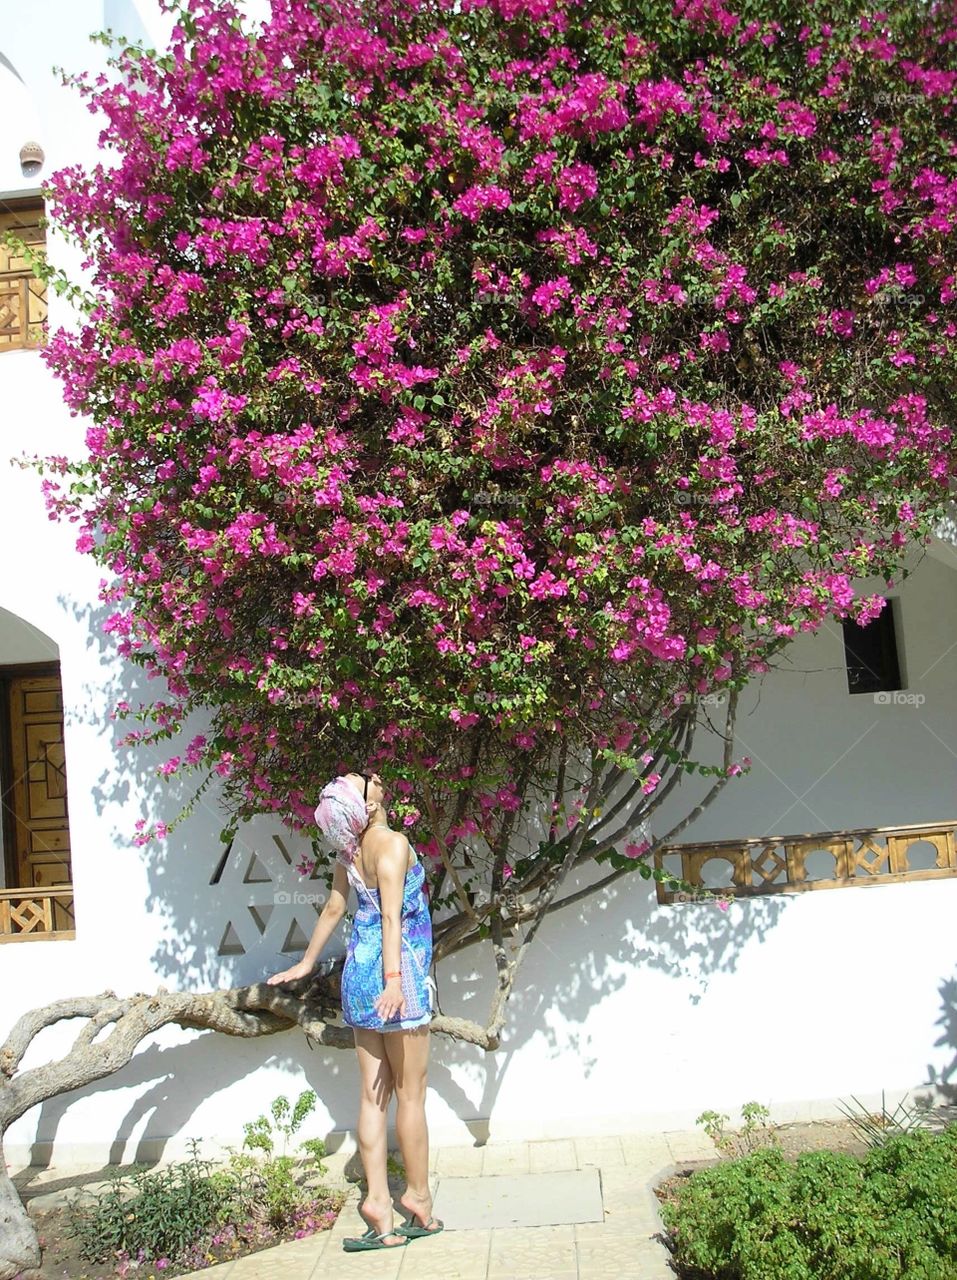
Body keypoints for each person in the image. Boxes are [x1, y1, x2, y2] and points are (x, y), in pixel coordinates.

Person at [267, 770, 443, 1252]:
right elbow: (391, 914)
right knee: (410, 1096)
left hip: (359, 976)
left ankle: (378, 1206)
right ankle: (419, 1200)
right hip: (395, 977)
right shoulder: (394, 843)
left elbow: (333, 908)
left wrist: (307, 961)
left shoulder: (348, 853)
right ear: (365, 807)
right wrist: (394, 982)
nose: (377, 778)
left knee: (372, 1098)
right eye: (366, 781)